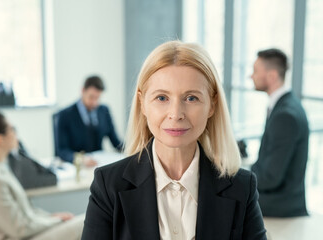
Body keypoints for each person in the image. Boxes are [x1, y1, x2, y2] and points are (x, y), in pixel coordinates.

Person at [81, 41, 267, 239]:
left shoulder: (241, 186)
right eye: (162, 98)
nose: (176, 114)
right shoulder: (109, 185)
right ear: (142, 103)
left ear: (212, 105)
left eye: (191, 98)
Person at [0, 112, 84, 240]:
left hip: (27, 232)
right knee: (87, 223)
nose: (16, 135)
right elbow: (19, 228)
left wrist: (51, 217)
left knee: (88, 222)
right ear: (0, 139)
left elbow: (26, 213)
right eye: (12, 129)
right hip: (21, 236)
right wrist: (57, 221)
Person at [250, 48, 309, 217]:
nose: (251, 76)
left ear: (272, 76)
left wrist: (240, 180)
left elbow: (270, 177)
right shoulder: (285, 105)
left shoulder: (285, 115)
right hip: (282, 198)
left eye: (255, 71)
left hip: (282, 204)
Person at [55, 75, 123, 163]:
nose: (94, 103)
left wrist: (131, 151)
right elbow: (62, 150)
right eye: (91, 97)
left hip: (98, 163)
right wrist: (81, 159)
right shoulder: (64, 115)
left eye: (97, 98)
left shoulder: (104, 111)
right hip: (77, 166)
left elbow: (115, 141)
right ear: (83, 91)